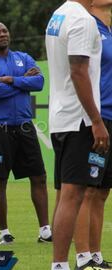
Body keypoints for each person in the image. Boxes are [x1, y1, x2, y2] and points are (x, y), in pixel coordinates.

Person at [0, 21, 51, 245]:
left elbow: (39, 82)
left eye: (5, 30)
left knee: (39, 176)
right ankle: (4, 233)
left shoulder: (23, 57)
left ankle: (45, 230)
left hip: (24, 125)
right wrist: (23, 82)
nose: (2, 34)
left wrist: (13, 79)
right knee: (0, 179)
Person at [45, 0, 109, 269]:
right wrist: (96, 120)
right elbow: (78, 71)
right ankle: (60, 264)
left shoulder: (58, 14)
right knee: (73, 195)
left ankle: (62, 263)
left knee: (67, 194)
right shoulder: (83, 20)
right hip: (79, 119)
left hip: (61, 117)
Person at [72, 0, 112, 269]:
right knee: (87, 189)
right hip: (96, 117)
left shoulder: (108, 30)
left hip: (111, 117)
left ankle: (96, 255)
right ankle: (82, 257)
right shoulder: (88, 26)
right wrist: (95, 118)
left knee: (102, 191)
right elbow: (78, 71)